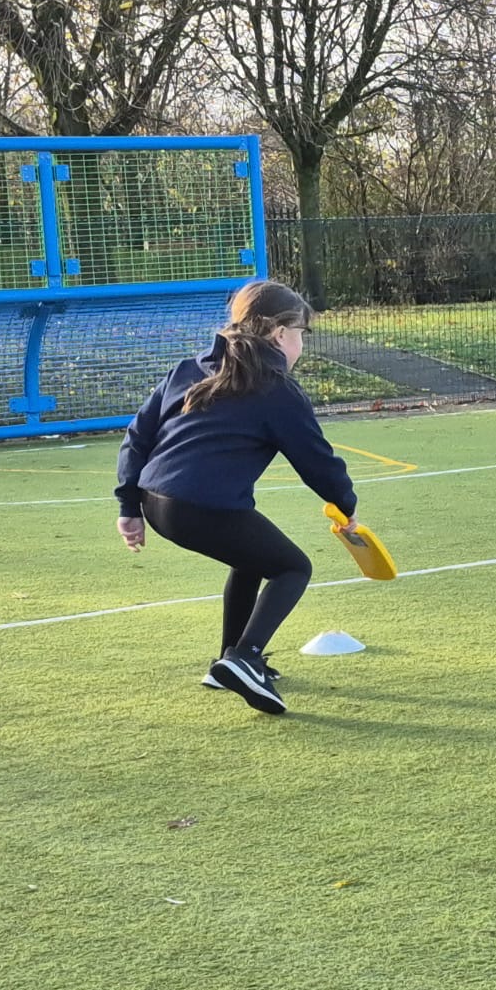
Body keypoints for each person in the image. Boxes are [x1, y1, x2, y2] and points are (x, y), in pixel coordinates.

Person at [114, 279, 357, 716]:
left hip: (155, 501)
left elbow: (138, 437)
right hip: (201, 507)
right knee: (293, 567)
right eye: (301, 334)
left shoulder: (188, 368)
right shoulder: (277, 389)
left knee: (251, 558)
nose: (301, 344)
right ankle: (246, 657)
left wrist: (129, 506)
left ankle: (227, 660)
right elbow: (317, 461)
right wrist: (347, 507)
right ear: (280, 334)